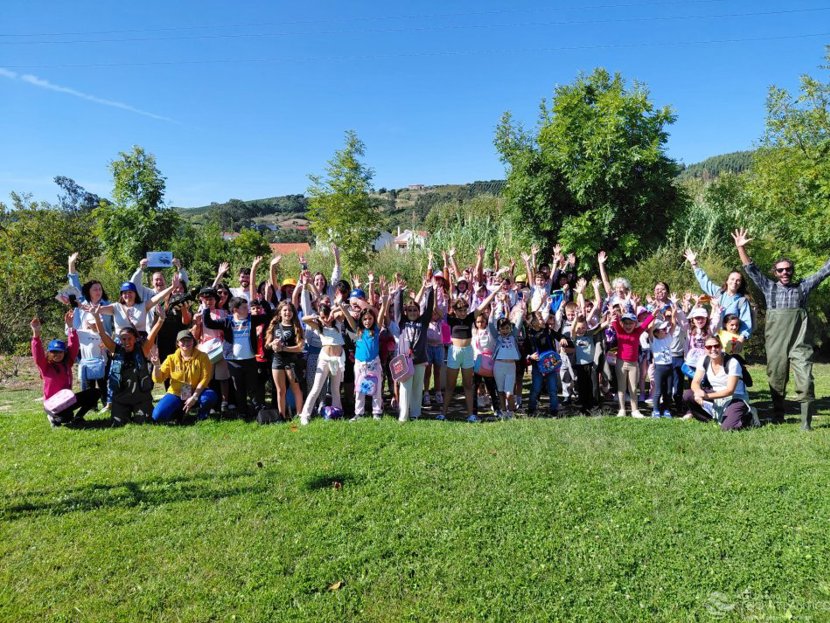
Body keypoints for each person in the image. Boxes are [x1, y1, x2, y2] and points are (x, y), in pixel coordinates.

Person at [733, 228, 830, 429]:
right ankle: (778, 416)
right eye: (780, 270)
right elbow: (750, 269)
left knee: (806, 380)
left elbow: (824, 271)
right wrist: (741, 248)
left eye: (788, 269)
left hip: (799, 345)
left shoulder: (802, 288)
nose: (785, 273)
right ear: (775, 273)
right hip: (776, 344)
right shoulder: (769, 288)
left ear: (792, 271)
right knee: (776, 379)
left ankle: (806, 423)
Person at [91, 305, 163, 426]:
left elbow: (153, 333)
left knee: (143, 422)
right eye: (123, 339)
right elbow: (102, 333)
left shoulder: (143, 349)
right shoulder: (115, 349)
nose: (126, 342)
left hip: (140, 398)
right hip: (121, 398)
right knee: (118, 423)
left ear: (135, 339)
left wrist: (161, 319)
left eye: (129, 338)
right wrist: (96, 317)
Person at [31, 310, 101, 427]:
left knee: (95, 393)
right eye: (54, 352)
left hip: (67, 400)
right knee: (66, 418)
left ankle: (78, 417)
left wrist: (71, 327)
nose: (57, 355)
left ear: (64, 353)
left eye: (60, 352)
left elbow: (74, 346)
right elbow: (37, 354)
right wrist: (36, 334)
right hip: (53, 404)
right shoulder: (45, 366)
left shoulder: (67, 363)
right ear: (49, 353)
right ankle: (52, 417)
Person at [682, 336, 753, 431]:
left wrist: (706, 396)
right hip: (715, 394)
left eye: (716, 346)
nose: (713, 349)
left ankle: (748, 416)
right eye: (709, 347)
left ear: (721, 347)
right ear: (705, 349)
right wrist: (698, 392)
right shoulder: (703, 360)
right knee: (687, 395)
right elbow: (695, 382)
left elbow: (730, 390)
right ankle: (710, 418)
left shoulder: (732, 363)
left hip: (735, 397)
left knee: (727, 428)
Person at [150, 330, 218, 423]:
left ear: (193, 341)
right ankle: (179, 413)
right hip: (176, 393)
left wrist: (194, 397)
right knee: (157, 416)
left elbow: (205, 378)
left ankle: (201, 417)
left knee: (209, 397)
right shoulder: (171, 358)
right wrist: (157, 365)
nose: (186, 343)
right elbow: (158, 379)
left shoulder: (203, 357)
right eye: (182, 340)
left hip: (197, 392)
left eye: (188, 340)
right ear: (178, 343)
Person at [684, 249, 753, 341]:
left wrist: (741, 339)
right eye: (732, 279)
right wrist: (694, 263)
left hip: (730, 340)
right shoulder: (718, 292)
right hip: (713, 338)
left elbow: (746, 322)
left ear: (740, 284)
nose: (734, 282)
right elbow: (704, 281)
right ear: (727, 281)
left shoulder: (742, 301)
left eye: (738, 280)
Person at [266, 301, 305, 421]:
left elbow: (300, 347)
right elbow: (267, 345)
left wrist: (283, 348)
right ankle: (281, 416)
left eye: (290, 310)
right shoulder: (274, 326)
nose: (288, 312)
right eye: (285, 310)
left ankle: (300, 414)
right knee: (280, 390)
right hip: (277, 361)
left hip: (291, 362)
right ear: (280, 312)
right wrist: (273, 344)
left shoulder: (296, 327)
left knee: (296, 388)